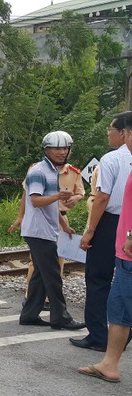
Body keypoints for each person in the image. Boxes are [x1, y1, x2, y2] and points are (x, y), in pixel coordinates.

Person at [75, 111, 132, 352]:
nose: (108, 133)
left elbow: (102, 198)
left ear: (123, 133)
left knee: (98, 278)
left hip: (111, 222)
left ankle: (98, 336)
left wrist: (89, 231)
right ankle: (123, 336)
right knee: (125, 279)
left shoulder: (111, 159)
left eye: (111, 129)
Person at [18, 131, 85, 330]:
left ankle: (29, 315)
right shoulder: (39, 171)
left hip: (44, 230)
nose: (62, 152)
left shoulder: (52, 171)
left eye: (65, 148)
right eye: (56, 148)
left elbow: (50, 204)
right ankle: (60, 317)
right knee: (53, 275)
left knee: (40, 274)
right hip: (38, 231)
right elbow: (36, 200)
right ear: (46, 149)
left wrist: (64, 226)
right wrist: (58, 196)